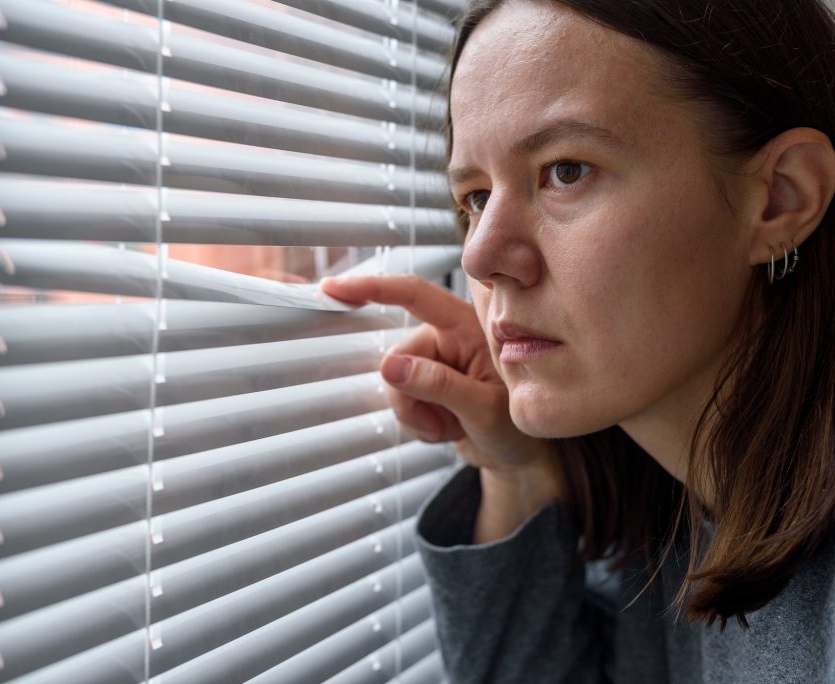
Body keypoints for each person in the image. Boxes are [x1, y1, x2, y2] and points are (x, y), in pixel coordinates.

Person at [321, 0, 835, 681]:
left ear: (780, 198)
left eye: (565, 171)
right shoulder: (677, 521)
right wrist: (520, 473)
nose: (480, 256)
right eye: (474, 198)